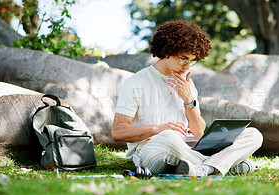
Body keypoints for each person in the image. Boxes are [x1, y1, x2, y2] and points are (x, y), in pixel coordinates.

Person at [111, 20, 263, 177]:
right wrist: (159, 129)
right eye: (183, 58)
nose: (187, 66)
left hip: (188, 149)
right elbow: (118, 131)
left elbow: (198, 131)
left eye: (192, 60)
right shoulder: (136, 82)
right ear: (167, 51)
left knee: (254, 135)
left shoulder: (187, 84)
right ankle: (224, 164)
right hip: (154, 149)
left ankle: (202, 169)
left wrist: (189, 100)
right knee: (169, 136)